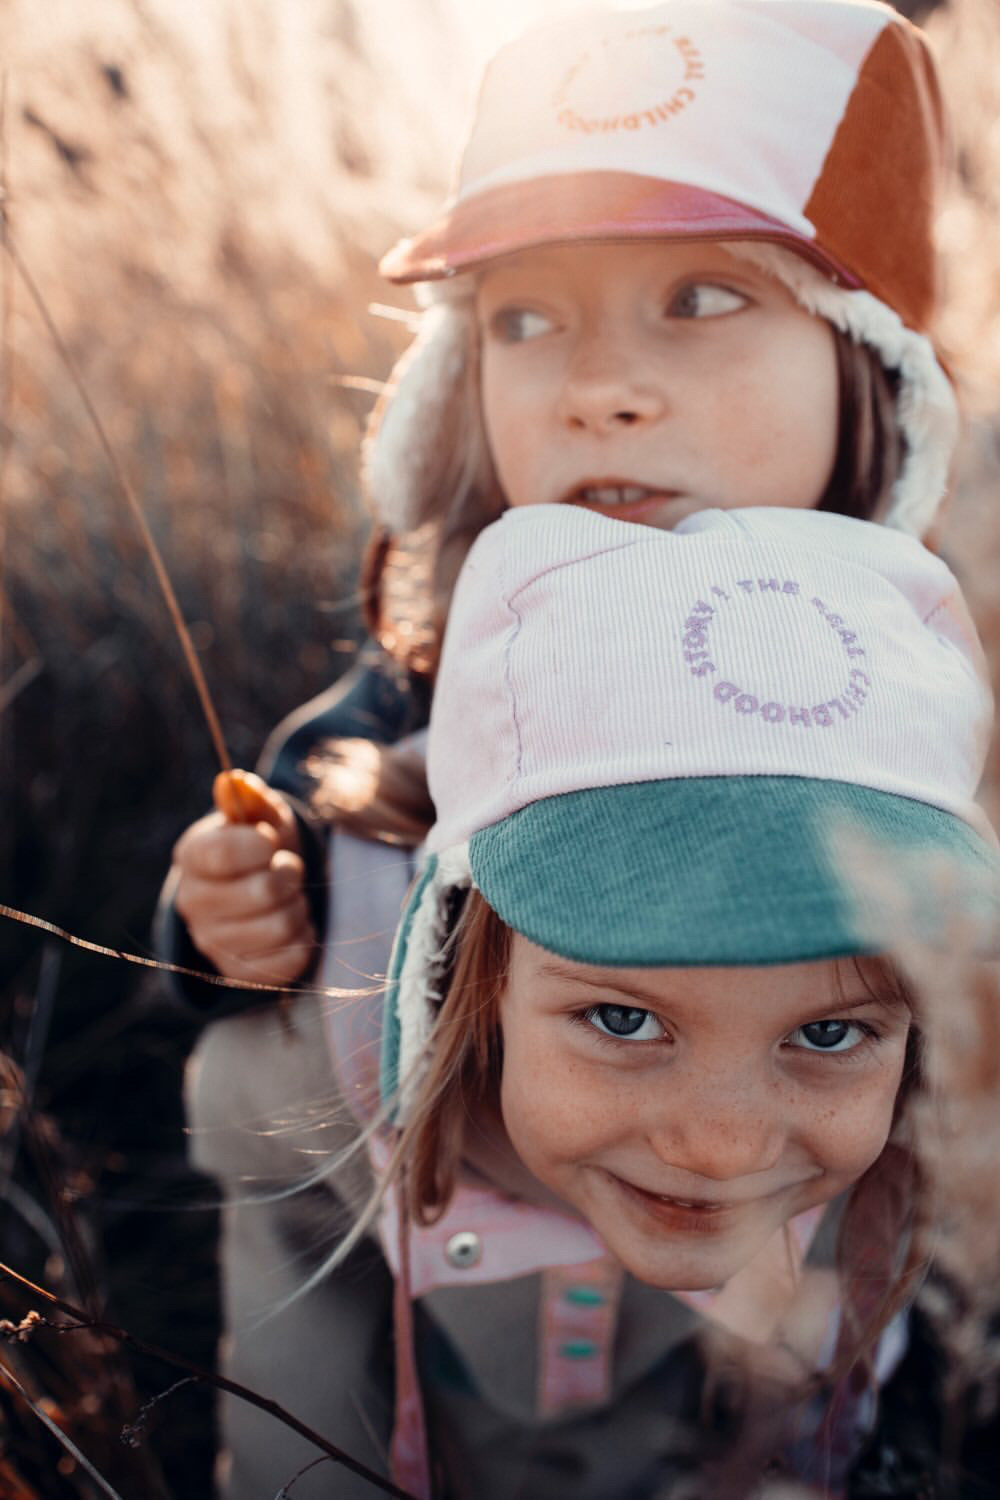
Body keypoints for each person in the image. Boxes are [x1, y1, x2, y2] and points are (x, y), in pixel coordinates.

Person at [190, 503, 996, 1498]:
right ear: (466, 970)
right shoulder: (306, 1093)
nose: (723, 1147)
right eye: (624, 1018)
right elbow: (295, 1453)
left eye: (827, 1031)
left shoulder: (921, 1148)